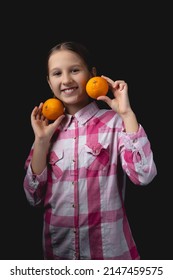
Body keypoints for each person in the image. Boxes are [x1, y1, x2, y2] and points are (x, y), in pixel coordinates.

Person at [23, 41, 157, 260]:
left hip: (111, 258)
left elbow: (143, 175)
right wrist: (40, 141)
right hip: (59, 258)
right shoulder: (46, 133)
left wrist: (127, 114)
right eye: (57, 73)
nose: (66, 80)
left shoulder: (114, 123)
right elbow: (32, 197)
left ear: (92, 73)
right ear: (49, 82)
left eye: (74, 70)